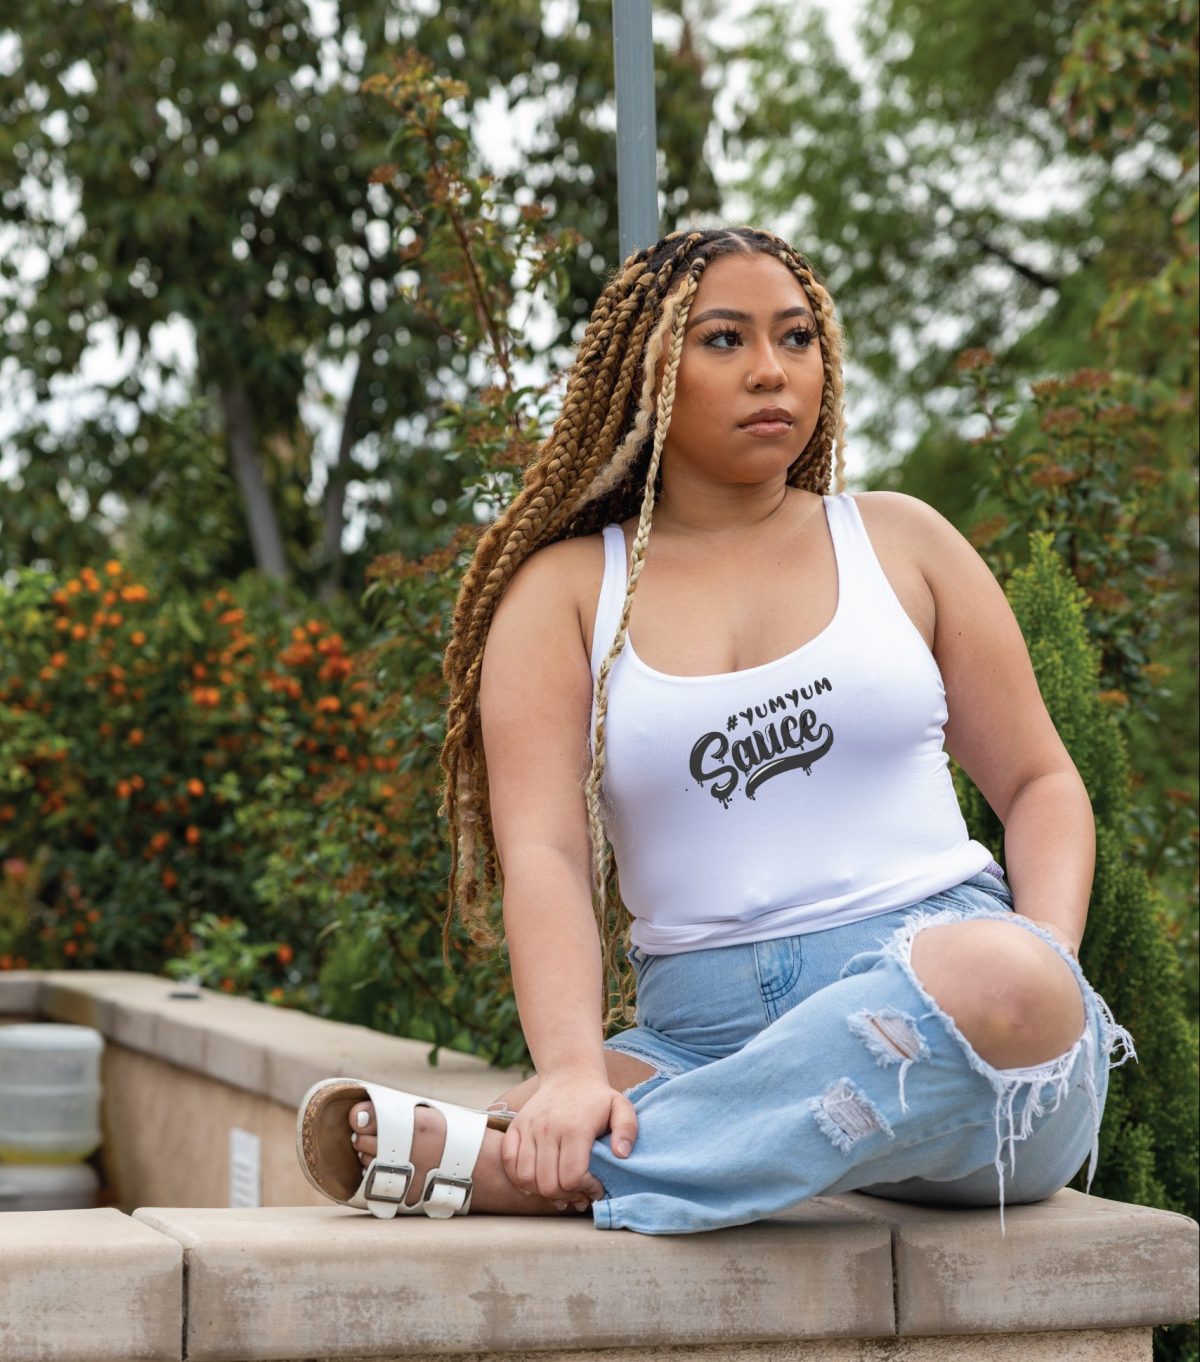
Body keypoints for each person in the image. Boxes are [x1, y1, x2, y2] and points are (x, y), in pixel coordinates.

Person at [296, 226, 1133, 1233]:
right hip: (703, 1037)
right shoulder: (563, 596)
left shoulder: (902, 543)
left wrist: (1048, 960)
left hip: (948, 1012)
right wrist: (567, 1070)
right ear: (646, 372)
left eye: (797, 338)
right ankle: (693, 1141)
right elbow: (549, 857)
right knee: (549, 1108)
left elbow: (1041, 783)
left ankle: (566, 1169)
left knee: (1007, 975)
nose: (771, 370)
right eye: (725, 340)